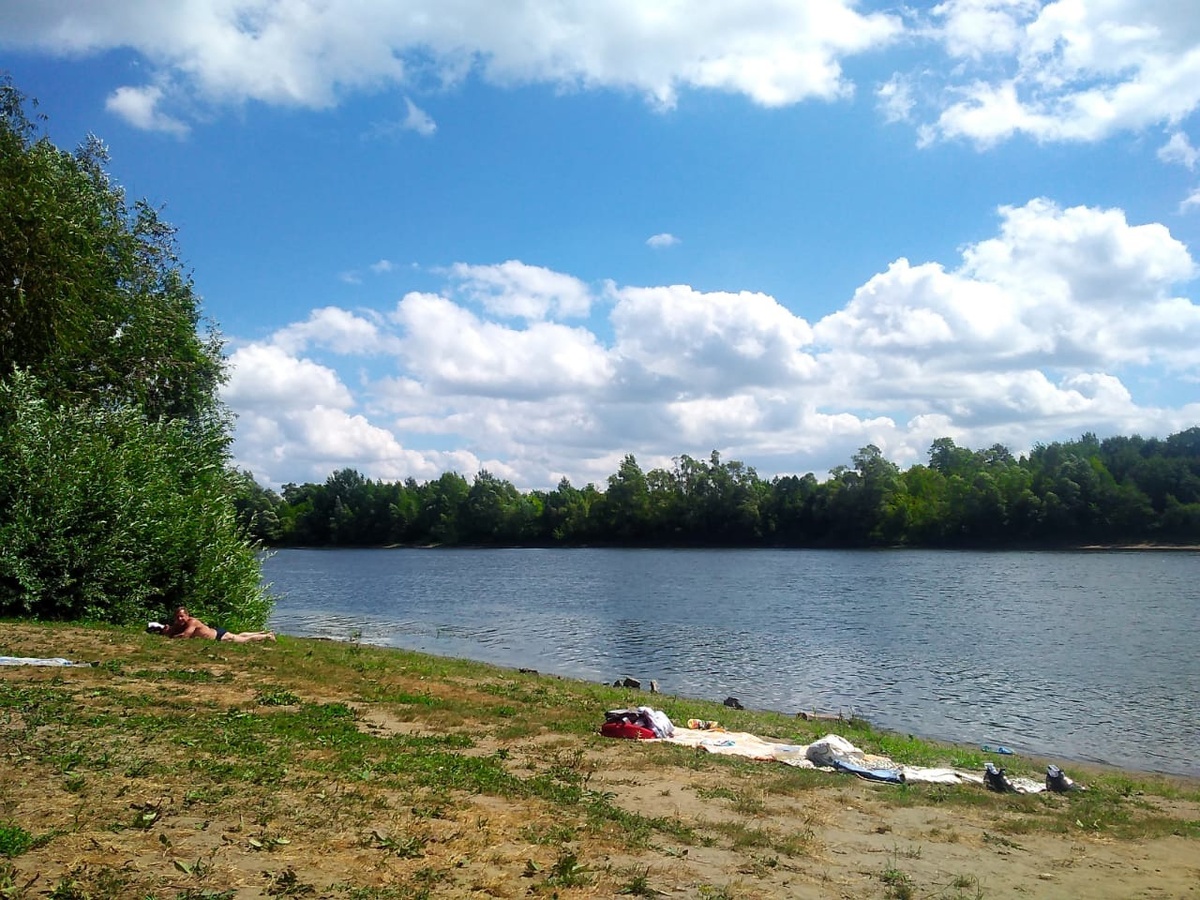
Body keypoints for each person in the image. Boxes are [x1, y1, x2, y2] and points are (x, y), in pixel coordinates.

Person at [156, 607, 276, 643]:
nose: (180, 618)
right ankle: (261, 633)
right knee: (239, 635)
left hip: (219, 636)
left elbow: (185, 636)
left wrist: (169, 636)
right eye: (177, 616)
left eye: (182, 616)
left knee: (244, 640)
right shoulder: (179, 623)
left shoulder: (192, 622)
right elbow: (172, 631)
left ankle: (267, 636)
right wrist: (167, 631)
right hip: (216, 632)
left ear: (187, 615)